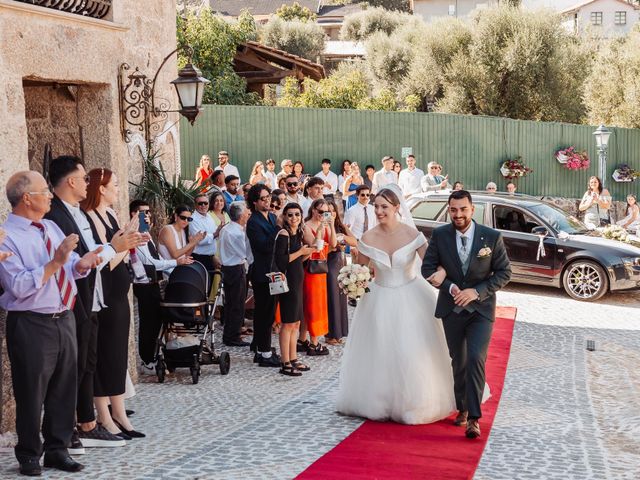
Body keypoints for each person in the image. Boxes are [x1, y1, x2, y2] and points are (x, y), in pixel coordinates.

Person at [0, 171, 103, 475]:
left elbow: (70, 267)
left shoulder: (51, 227)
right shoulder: (8, 235)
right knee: (31, 391)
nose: (49, 195)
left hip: (64, 316)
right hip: (31, 322)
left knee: (64, 388)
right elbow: (17, 285)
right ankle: (29, 453)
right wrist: (56, 262)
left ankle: (57, 449)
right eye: (44, 190)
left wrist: (81, 264)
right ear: (27, 198)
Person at [336, 185, 456, 426]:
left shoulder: (413, 235)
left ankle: (414, 401)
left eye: (384, 207)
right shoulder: (368, 238)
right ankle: (379, 400)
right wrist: (354, 282)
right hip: (378, 296)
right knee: (380, 347)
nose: (379, 211)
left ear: (397, 208)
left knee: (410, 347)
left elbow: (431, 265)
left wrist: (440, 274)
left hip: (411, 294)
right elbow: (361, 270)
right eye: (376, 206)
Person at [46, 156, 140, 451]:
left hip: (92, 298)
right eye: (84, 177)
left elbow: (90, 255)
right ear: (72, 181)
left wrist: (116, 246)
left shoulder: (75, 213)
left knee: (87, 363)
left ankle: (87, 423)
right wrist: (116, 247)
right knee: (74, 367)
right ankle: (74, 428)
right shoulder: (57, 216)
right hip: (76, 300)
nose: (88, 183)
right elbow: (78, 262)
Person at [422, 190, 512, 438]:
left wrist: (476, 291)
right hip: (451, 309)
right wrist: (449, 286)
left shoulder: (491, 237)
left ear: (472, 209)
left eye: (463, 209)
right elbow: (427, 267)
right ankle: (461, 407)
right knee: (458, 361)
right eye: (453, 210)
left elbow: (504, 273)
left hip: (480, 310)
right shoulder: (440, 235)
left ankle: (474, 417)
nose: (458, 214)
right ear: (449, 210)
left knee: (475, 358)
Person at [81, 168, 145, 440]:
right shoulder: (90, 217)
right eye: (115, 185)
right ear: (102, 188)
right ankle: (104, 416)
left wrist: (133, 240)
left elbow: (121, 250)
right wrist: (125, 245)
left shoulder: (110, 214)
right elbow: (104, 262)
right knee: (105, 355)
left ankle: (119, 413)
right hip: (104, 294)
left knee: (118, 355)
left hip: (119, 294)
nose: (119, 189)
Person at [128, 200, 193, 374]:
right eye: (143, 213)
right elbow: (150, 262)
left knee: (156, 322)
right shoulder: (136, 235)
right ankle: (147, 360)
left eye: (149, 212)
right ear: (134, 215)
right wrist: (176, 262)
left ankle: (153, 356)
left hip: (153, 283)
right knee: (148, 323)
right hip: (144, 285)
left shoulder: (145, 234)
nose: (148, 216)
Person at [274, 203, 315, 375]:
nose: (294, 218)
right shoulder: (283, 234)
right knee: (288, 323)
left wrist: (308, 251)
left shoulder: (297, 233)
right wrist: (300, 253)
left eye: (297, 214)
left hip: (297, 279)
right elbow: (281, 261)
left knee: (296, 323)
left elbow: (300, 259)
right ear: (284, 217)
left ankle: (293, 358)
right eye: (290, 215)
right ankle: (285, 362)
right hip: (287, 282)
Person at [246, 184, 281, 367]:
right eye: (263, 198)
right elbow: (264, 247)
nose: (268, 200)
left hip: (274, 271)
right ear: (255, 202)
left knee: (268, 313)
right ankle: (265, 353)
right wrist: (278, 229)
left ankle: (261, 349)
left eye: (269, 197)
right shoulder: (253, 222)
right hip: (261, 273)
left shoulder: (272, 217)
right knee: (264, 314)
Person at [301, 198, 337, 356]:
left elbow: (334, 244)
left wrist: (332, 225)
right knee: (312, 305)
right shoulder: (307, 226)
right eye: (321, 211)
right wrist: (321, 230)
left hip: (322, 268)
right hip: (311, 269)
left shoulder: (326, 224)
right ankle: (313, 343)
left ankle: (303, 339)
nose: (323, 215)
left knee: (318, 304)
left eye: (326, 212)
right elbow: (316, 247)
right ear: (313, 210)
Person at [219, 201, 253, 347]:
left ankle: (232, 332)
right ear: (241, 215)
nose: (248, 214)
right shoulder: (235, 232)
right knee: (236, 303)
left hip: (231, 268)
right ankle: (232, 335)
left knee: (234, 302)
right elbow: (244, 252)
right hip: (234, 268)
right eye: (246, 212)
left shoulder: (229, 229)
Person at [325, 199, 356, 345]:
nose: (330, 213)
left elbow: (354, 241)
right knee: (332, 298)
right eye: (327, 210)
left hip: (341, 261)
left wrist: (342, 237)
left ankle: (340, 334)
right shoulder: (322, 225)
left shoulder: (340, 225)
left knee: (341, 298)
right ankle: (331, 334)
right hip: (329, 262)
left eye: (332, 210)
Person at [191, 193, 224, 278]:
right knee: (203, 286)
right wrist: (215, 234)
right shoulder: (193, 219)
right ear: (195, 205)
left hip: (211, 257)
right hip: (199, 258)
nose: (203, 205)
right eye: (200, 203)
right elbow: (200, 240)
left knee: (210, 286)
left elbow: (215, 232)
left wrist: (220, 230)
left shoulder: (208, 216)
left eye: (205, 203)